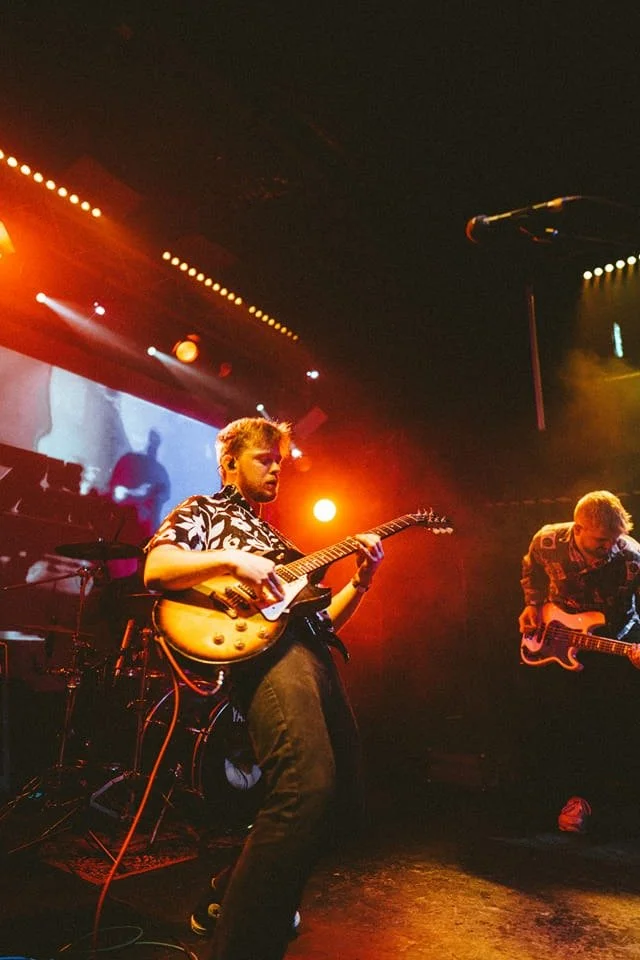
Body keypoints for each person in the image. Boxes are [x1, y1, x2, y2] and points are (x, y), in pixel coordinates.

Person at [143, 416, 384, 960]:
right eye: (263, 458)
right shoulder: (204, 511)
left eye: (280, 460)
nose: (276, 468)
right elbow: (156, 568)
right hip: (270, 660)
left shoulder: (281, 541)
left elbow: (325, 623)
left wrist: (360, 581)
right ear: (229, 462)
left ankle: (229, 893)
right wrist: (233, 559)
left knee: (345, 804)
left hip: (314, 656)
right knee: (304, 788)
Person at [517, 489, 640, 834]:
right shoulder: (547, 541)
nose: (610, 546)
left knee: (606, 724)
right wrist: (532, 604)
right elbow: (532, 571)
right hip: (558, 640)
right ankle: (557, 798)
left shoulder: (632, 557)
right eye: (602, 540)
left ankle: (596, 802)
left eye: (616, 539)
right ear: (578, 528)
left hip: (614, 638)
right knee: (559, 720)